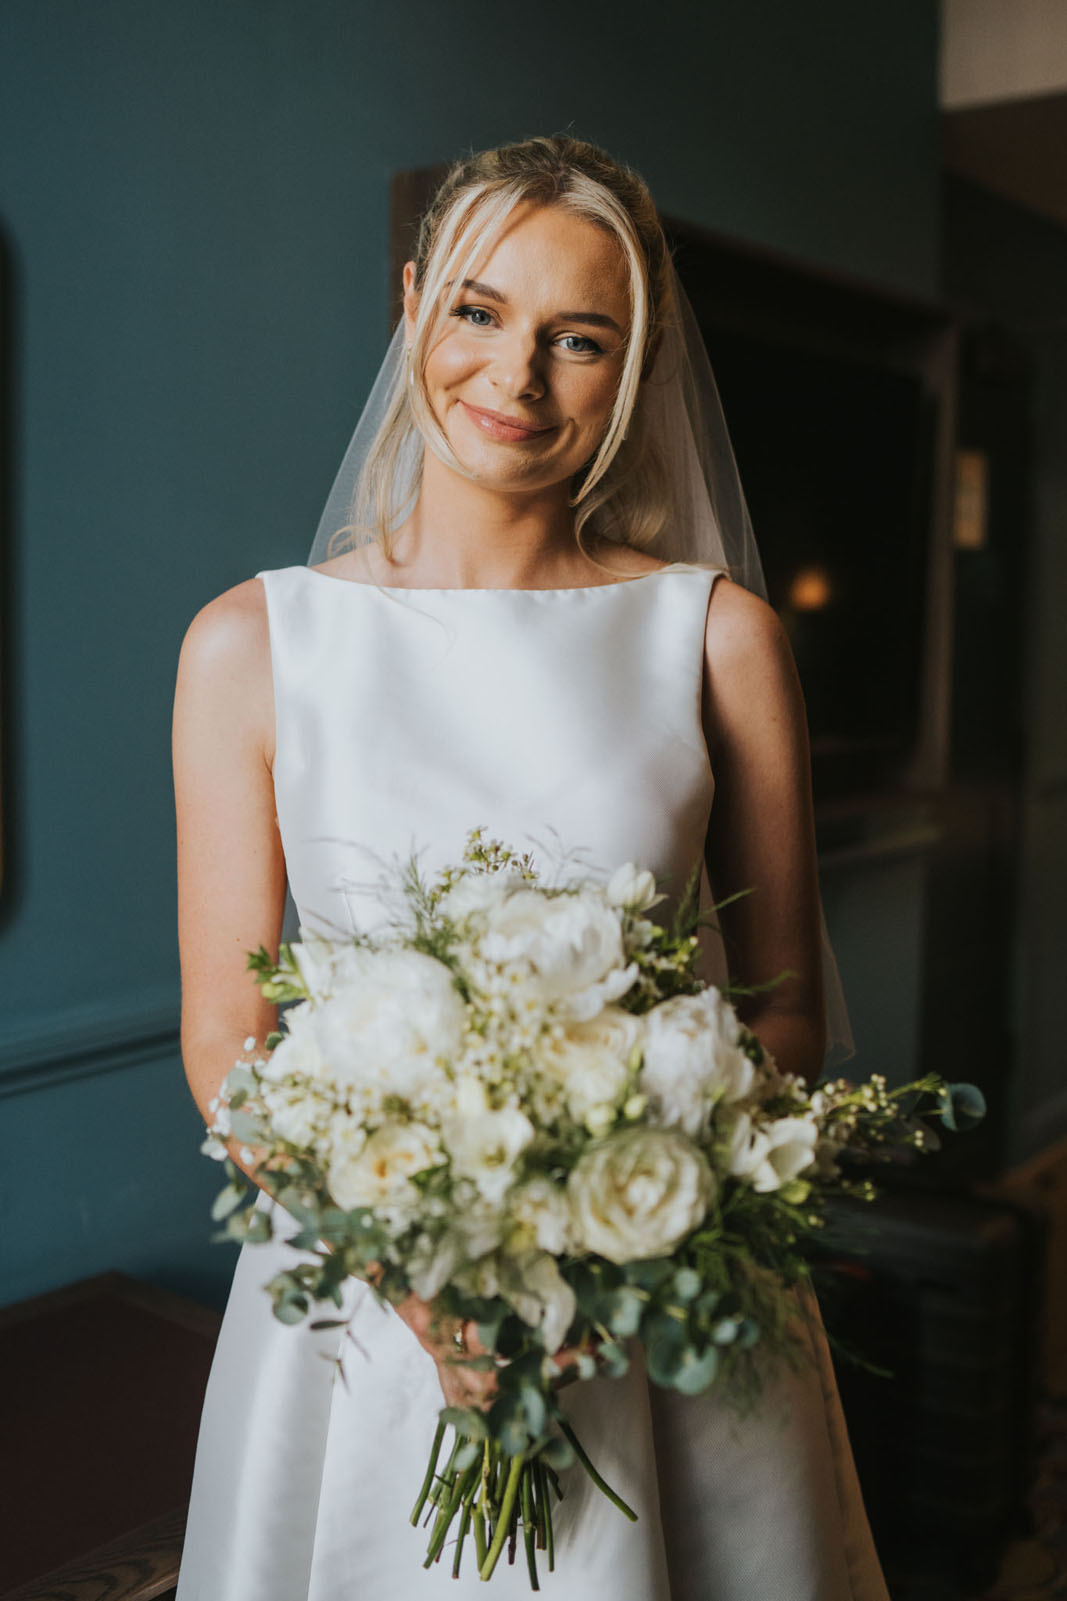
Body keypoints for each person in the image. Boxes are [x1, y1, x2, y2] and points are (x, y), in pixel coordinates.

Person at [172, 135, 889, 1599]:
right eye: (482, 313)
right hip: (364, 1326)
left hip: (660, 1312)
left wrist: (622, 1228)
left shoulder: (717, 639)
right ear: (413, 299)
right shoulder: (252, 645)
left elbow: (791, 1017)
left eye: (580, 339)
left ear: (634, 369)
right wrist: (423, 1275)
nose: (518, 378)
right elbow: (227, 1042)